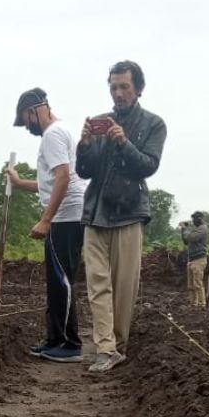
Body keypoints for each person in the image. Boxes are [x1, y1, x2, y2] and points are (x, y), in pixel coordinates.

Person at [77, 60, 167, 373]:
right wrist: (85, 144)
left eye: (124, 86)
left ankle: (119, 345)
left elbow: (148, 165)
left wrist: (123, 142)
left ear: (138, 89)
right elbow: (84, 170)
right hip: (96, 213)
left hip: (129, 213)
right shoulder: (101, 122)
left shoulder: (154, 124)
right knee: (97, 284)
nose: (118, 92)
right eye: (113, 87)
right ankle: (105, 348)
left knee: (123, 286)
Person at [8, 87, 88, 363]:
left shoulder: (53, 135)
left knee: (62, 281)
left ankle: (69, 344)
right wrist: (19, 184)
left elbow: (63, 178)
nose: (27, 126)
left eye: (26, 120)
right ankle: (55, 339)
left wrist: (46, 219)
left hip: (66, 217)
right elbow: (51, 182)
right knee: (56, 281)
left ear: (35, 110)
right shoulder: (60, 132)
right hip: (65, 215)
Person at [180, 212, 209, 308]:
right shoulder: (196, 230)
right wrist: (183, 230)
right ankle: (193, 303)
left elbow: (192, 238)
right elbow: (185, 241)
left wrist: (185, 228)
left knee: (197, 283)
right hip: (192, 259)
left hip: (199, 259)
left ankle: (202, 304)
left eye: (194, 219)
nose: (193, 221)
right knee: (191, 284)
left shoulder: (203, 229)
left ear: (200, 218)